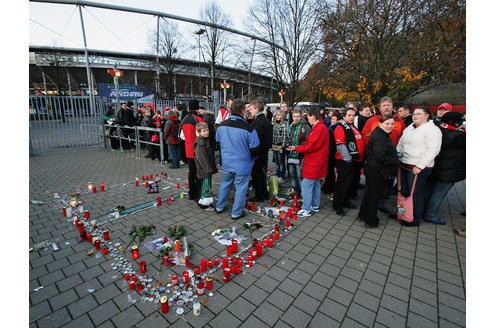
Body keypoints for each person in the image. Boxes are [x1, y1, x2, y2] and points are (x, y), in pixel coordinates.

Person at [396, 106, 442, 227]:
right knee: (403, 192)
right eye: (414, 114)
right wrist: (397, 156)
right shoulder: (409, 128)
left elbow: (433, 150)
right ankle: (403, 213)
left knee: (416, 194)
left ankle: (414, 219)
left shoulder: (432, 130)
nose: (415, 116)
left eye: (419, 114)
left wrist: (420, 166)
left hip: (418, 168)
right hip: (403, 165)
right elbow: (401, 144)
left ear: (427, 116)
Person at [215, 99, 260, 220]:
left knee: (225, 184)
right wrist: (252, 159)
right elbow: (255, 148)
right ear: (242, 111)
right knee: (240, 188)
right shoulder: (248, 128)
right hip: (243, 164)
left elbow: (217, 140)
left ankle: (219, 206)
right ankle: (236, 213)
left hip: (227, 163)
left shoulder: (222, 125)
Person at [357, 114, 400, 228]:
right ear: (380, 124)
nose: (390, 126)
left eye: (392, 124)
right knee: (374, 196)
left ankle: (362, 215)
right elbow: (380, 156)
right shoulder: (380, 137)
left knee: (370, 194)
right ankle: (371, 221)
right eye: (387, 123)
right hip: (377, 171)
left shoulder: (381, 134)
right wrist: (396, 161)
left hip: (374, 169)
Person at [423, 111, 466, 224]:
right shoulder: (459, 136)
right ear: (455, 123)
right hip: (450, 171)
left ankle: (422, 210)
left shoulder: (437, 130)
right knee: (439, 194)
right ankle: (430, 214)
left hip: (434, 167)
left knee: (429, 190)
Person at [286, 108, 329, 217]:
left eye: (308, 117)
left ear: (313, 116)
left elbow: (310, 146)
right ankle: (314, 205)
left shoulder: (319, 128)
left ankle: (306, 209)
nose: (308, 120)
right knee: (314, 184)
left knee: (306, 184)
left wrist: (296, 148)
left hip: (314, 161)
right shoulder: (320, 127)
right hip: (317, 160)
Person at [332, 108, 366, 216]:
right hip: (344, 161)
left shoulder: (352, 126)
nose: (351, 117)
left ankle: (345, 201)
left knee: (348, 183)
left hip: (352, 161)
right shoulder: (340, 127)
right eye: (349, 115)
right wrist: (348, 160)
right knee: (342, 184)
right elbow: (340, 145)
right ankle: (338, 205)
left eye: (353, 115)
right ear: (344, 116)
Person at [248, 99, 273, 202]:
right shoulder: (266, 120)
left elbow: (256, 139)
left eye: (251, 109)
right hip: (265, 150)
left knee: (257, 174)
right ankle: (265, 194)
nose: (250, 111)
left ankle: (259, 195)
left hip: (258, 152)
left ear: (257, 108)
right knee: (262, 173)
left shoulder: (258, 122)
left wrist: (253, 152)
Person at [181, 100, 205, 201]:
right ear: (198, 107)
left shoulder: (184, 120)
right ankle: (198, 195)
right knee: (200, 173)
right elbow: (203, 136)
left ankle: (191, 194)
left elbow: (181, 136)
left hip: (188, 150)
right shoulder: (199, 120)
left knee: (191, 173)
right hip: (198, 150)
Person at [284, 108, 311, 196]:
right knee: (292, 173)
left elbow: (308, 141)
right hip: (291, 153)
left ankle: (302, 191)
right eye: (294, 116)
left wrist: (296, 146)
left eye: (298, 116)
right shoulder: (291, 125)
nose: (296, 118)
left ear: (301, 116)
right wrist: (287, 145)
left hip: (300, 154)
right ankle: (294, 189)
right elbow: (288, 137)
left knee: (299, 174)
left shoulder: (305, 126)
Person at [194, 122, 218, 210]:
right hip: (204, 170)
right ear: (199, 132)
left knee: (207, 186)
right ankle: (204, 205)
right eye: (204, 131)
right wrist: (208, 169)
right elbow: (202, 158)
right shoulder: (200, 143)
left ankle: (206, 201)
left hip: (208, 169)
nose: (206, 132)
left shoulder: (205, 140)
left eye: (207, 130)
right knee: (206, 187)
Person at [322, 111, 342, 194]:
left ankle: (329, 187)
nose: (331, 120)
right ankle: (328, 186)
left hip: (332, 152)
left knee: (330, 171)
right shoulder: (332, 127)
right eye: (332, 119)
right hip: (332, 151)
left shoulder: (334, 128)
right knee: (329, 171)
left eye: (334, 119)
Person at [272, 110, 289, 184]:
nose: (277, 116)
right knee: (276, 162)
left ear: (282, 116)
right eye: (276, 115)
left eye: (279, 115)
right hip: (274, 145)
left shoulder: (284, 124)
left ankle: (282, 176)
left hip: (280, 146)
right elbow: (273, 135)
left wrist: (283, 146)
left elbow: (285, 136)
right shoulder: (275, 124)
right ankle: (277, 175)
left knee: (281, 162)